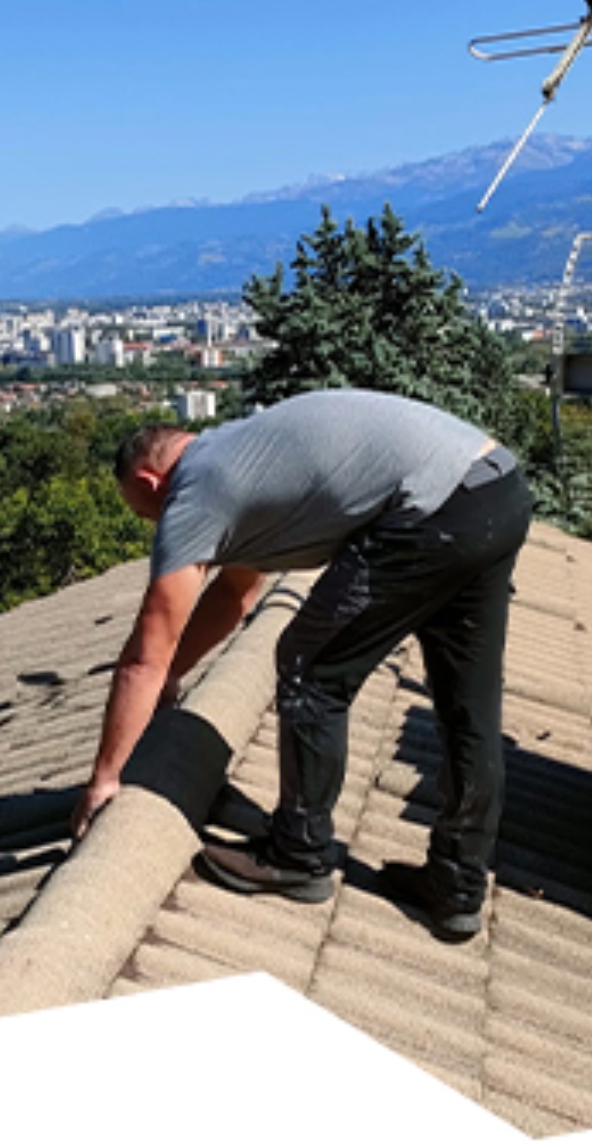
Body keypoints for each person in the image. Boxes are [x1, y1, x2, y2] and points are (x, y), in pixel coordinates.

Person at [71, 388, 533, 941]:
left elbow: (142, 660)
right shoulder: (239, 458)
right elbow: (234, 596)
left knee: (308, 666)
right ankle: (456, 885)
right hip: (497, 490)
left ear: (149, 483)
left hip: (434, 511)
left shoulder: (195, 492)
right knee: (469, 706)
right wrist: (174, 673)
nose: (158, 528)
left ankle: (297, 854)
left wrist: (105, 780)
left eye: (145, 514)